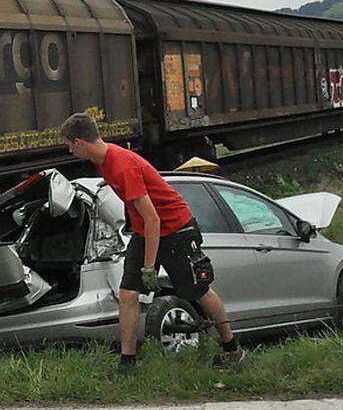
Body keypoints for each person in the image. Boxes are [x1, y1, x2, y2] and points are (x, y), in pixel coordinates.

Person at [58, 112, 244, 370]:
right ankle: (127, 361)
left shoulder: (121, 164)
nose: (69, 151)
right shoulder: (103, 162)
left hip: (175, 228)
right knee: (128, 293)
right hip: (145, 232)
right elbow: (136, 209)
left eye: (69, 145)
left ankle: (232, 348)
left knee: (196, 290)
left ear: (79, 142)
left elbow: (153, 218)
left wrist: (148, 268)